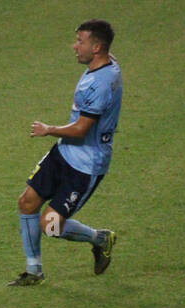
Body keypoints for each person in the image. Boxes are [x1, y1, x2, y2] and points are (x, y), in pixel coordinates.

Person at [10, 20, 121, 286]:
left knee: (49, 225)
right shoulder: (109, 64)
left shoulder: (99, 86)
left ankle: (100, 238)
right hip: (64, 154)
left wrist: (49, 129)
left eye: (80, 41)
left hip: (86, 166)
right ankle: (34, 271)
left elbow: (82, 129)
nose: (74, 46)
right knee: (27, 202)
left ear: (96, 47)